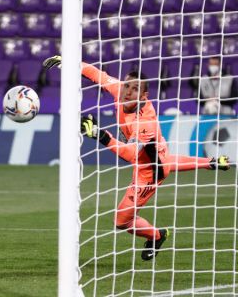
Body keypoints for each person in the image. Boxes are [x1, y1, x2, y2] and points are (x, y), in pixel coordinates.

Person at [43, 55, 230, 261]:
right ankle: (159, 232)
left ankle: (157, 235)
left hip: (150, 174)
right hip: (155, 156)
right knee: (162, 162)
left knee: (122, 222)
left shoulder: (145, 122)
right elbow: (97, 74)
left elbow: (132, 156)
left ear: (143, 96)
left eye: (134, 89)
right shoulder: (119, 90)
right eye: (127, 86)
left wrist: (102, 136)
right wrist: (69, 62)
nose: (128, 92)